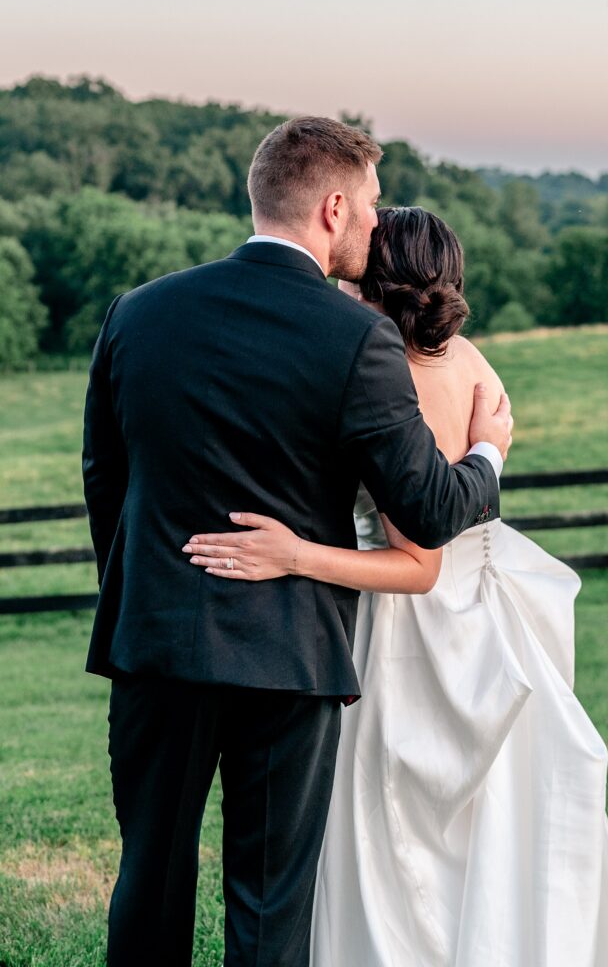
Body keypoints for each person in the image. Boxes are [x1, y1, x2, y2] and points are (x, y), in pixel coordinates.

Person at [82, 119, 512, 966]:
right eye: (372, 207)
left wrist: (138, 592)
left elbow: (106, 473)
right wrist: (489, 451)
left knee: (149, 878)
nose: (376, 228)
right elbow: (426, 509)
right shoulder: (357, 337)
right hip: (288, 658)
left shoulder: (139, 312)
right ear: (334, 206)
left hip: (156, 641)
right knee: (270, 904)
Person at [184, 207, 608, 966]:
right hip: (489, 617)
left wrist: (295, 553)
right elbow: (467, 492)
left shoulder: (378, 372)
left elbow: (417, 565)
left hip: (413, 627)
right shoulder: (465, 357)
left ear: (370, 288)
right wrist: (487, 457)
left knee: (394, 829)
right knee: (494, 820)